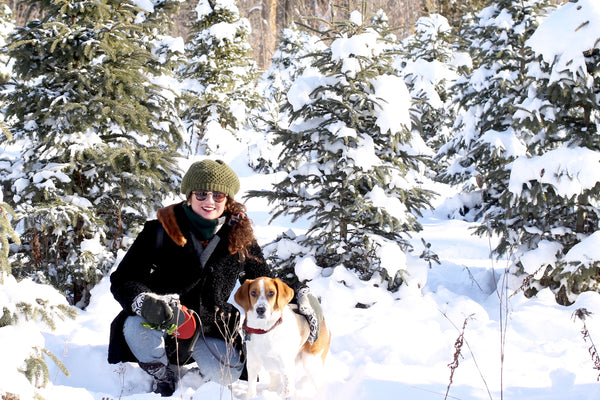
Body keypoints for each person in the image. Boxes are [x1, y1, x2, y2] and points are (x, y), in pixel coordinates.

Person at [107, 159, 322, 397]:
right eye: (201, 194)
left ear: (227, 199)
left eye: (218, 196)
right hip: (161, 319)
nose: (209, 202)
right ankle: (161, 372)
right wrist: (144, 301)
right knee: (136, 329)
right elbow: (123, 278)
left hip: (208, 326)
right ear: (189, 195)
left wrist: (299, 293)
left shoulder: (239, 236)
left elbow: (263, 280)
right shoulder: (159, 230)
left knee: (227, 374)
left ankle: (197, 364)